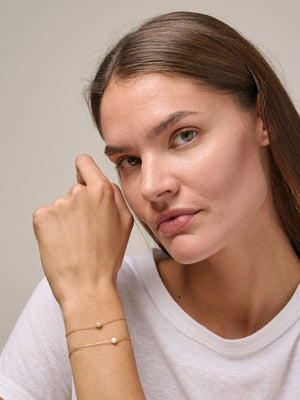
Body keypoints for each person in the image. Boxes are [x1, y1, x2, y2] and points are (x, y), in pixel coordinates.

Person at [0, 10, 299, 400]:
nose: (152, 187)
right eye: (130, 161)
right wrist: (90, 302)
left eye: (184, 136)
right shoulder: (79, 293)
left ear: (263, 120)